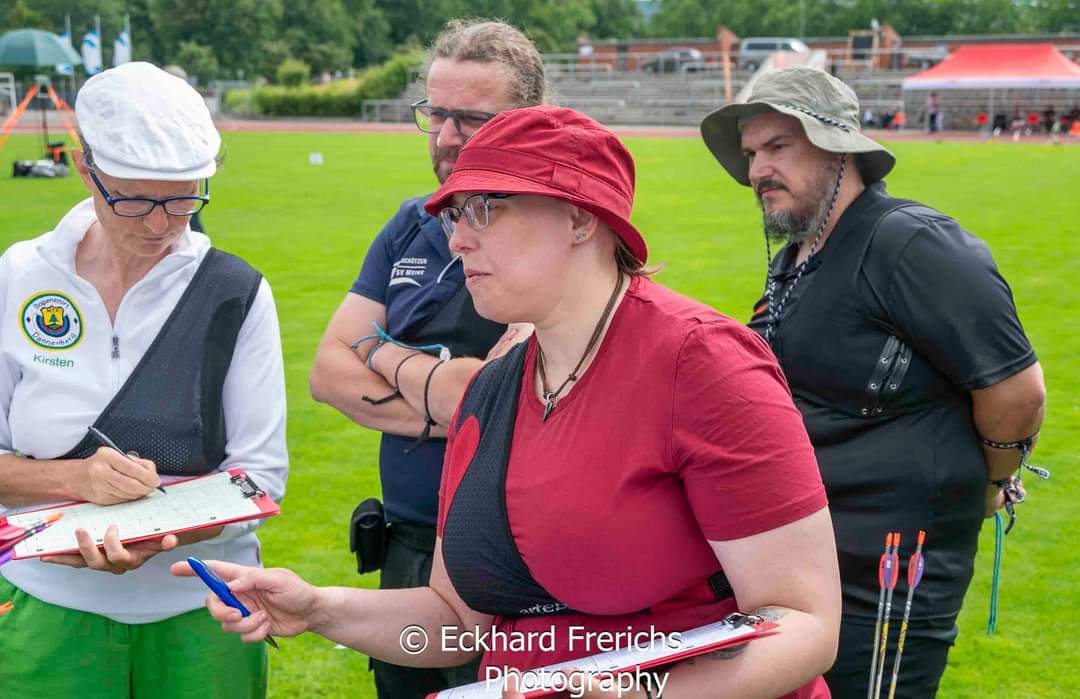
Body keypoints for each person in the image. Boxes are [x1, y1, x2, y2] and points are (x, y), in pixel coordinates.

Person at [177, 106, 842, 699]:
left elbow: (805, 622)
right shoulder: (491, 393)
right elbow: (456, 625)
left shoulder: (703, 364)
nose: (457, 239)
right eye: (455, 215)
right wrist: (319, 607)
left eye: (486, 208)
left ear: (580, 217)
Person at [700, 67, 1046, 698]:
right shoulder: (798, 255)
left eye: (778, 147)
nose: (757, 172)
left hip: (885, 579)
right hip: (803, 569)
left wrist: (992, 482)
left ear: (838, 149)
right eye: (750, 154)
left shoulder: (910, 244)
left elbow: (1016, 390)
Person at [0, 62, 288, 698]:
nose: (160, 225)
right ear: (86, 171)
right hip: (45, 611)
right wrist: (75, 480)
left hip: (201, 606)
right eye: (133, 200)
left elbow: (261, 476)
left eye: (183, 200)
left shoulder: (235, 292)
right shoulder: (18, 276)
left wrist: (151, 536)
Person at [308, 19, 544, 699]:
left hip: (505, 557)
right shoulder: (409, 224)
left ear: (529, 120)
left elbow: (504, 392)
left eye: (471, 119)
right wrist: (457, 404)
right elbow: (328, 372)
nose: (445, 136)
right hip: (406, 540)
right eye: (435, 114)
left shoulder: (552, 231)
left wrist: (382, 353)